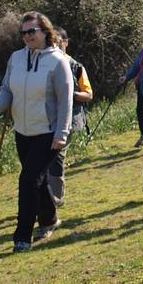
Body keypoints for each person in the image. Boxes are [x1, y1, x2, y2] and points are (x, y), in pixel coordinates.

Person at [0, 11, 74, 251]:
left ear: (45, 31)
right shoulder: (16, 58)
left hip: (48, 131)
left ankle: (22, 237)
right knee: (38, 179)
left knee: (27, 180)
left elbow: (66, 101)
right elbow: (7, 89)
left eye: (31, 31)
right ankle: (49, 219)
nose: (27, 36)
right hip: (22, 131)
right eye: (23, 33)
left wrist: (61, 134)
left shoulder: (58, 61)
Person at [49, 27, 93, 206]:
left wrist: (70, 94)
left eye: (60, 42)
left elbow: (88, 94)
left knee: (57, 157)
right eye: (54, 42)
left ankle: (56, 199)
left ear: (66, 43)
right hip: (48, 119)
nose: (57, 46)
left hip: (70, 121)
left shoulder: (76, 66)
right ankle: (47, 199)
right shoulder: (46, 65)